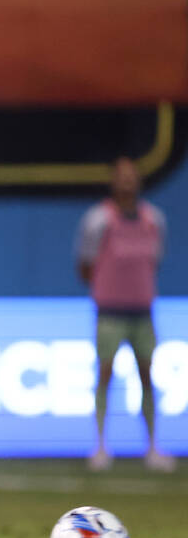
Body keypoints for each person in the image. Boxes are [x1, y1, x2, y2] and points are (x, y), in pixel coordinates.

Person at [75, 157, 173, 472]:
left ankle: (153, 448)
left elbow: (154, 261)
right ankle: (101, 447)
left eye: (132, 176)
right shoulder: (98, 220)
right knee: (105, 375)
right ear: (113, 181)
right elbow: (85, 265)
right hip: (110, 312)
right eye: (122, 176)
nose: (127, 182)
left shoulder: (154, 219)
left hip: (143, 311)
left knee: (147, 376)